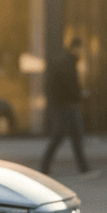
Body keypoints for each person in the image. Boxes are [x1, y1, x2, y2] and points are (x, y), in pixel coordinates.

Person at [40, 37, 97, 177]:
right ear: (74, 48)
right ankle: (45, 167)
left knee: (72, 137)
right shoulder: (68, 63)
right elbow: (70, 86)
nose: (81, 51)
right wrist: (80, 94)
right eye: (79, 48)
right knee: (63, 136)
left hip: (64, 105)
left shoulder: (65, 62)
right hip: (67, 106)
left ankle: (46, 167)